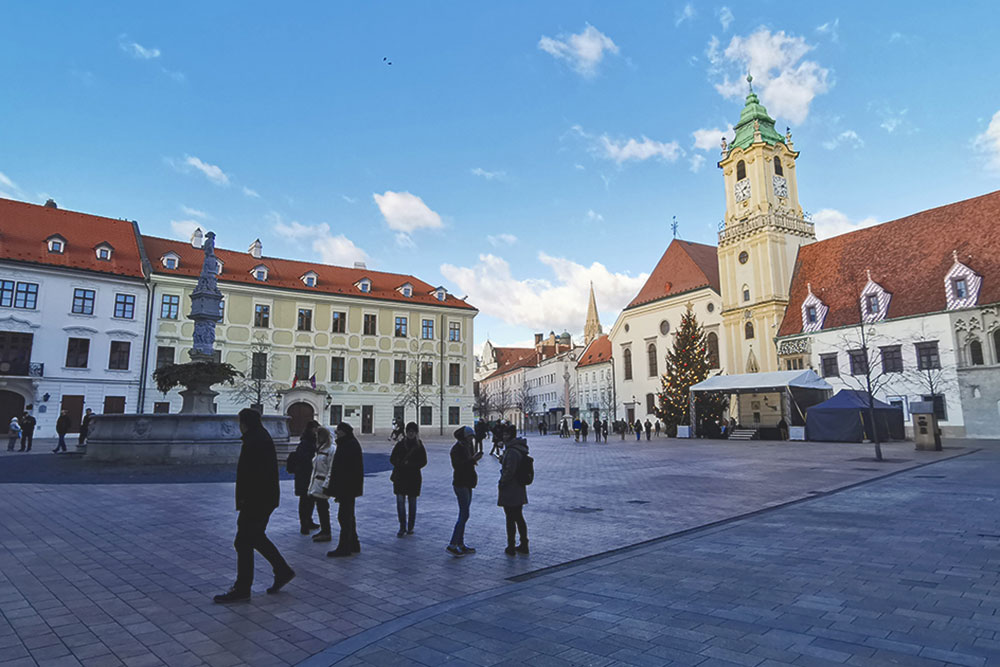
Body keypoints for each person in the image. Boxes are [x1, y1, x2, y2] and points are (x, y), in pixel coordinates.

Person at [214, 408, 294, 603]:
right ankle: (281, 570)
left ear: (245, 423)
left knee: (244, 541)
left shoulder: (255, 441)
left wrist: (246, 500)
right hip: (261, 499)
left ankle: (243, 587)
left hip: (257, 500)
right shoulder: (259, 437)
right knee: (253, 538)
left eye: (240, 422)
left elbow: (254, 475)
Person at [325, 421, 364, 557]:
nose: (336, 433)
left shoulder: (348, 445)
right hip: (348, 487)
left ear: (344, 432)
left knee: (344, 517)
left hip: (347, 487)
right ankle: (353, 543)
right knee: (348, 516)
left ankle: (344, 547)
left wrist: (338, 488)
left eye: (338, 431)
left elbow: (345, 470)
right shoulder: (348, 443)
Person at [447, 425, 482, 557]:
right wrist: (472, 460)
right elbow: (458, 465)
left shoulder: (467, 446)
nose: (472, 439)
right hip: (461, 482)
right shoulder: (456, 449)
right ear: (464, 437)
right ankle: (453, 544)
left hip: (468, 482)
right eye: (470, 437)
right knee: (464, 514)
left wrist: (473, 459)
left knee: (465, 513)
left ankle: (460, 543)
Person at [390, 422, 427, 537]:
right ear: (406, 432)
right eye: (409, 431)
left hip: (413, 477)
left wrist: (411, 465)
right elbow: (392, 458)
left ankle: (410, 526)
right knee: (400, 503)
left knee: (412, 502)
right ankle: (402, 526)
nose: (411, 434)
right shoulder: (400, 445)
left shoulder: (419, 446)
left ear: (416, 433)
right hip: (400, 476)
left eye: (413, 432)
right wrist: (400, 464)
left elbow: (423, 461)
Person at [498, 424, 529, 556]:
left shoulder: (511, 451)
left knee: (510, 518)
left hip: (511, 488)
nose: (504, 437)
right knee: (519, 517)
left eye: (506, 434)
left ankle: (511, 546)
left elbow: (510, 470)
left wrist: (502, 482)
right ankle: (524, 543)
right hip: (519, 487)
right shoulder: (519, 448)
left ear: (510, 435)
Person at [307, 427, 334, 542]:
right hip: (316, 482)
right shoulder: (319, 448)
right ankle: (324, 530)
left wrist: (327, 485)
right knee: (320, 508)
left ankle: (326, 532)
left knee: (323, 508)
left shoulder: (331, 450)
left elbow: (331, 469)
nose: (317, 437)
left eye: (319, 435)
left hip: (323, 483)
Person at [293, 421, 320, 534]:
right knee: (305, 500)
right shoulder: (305, 443)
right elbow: (304, 459)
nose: (317, 431)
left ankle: (309, 521)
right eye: (315, 429)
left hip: (310, 474)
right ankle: (304, 524)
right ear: (311, 429)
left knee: (310, 499)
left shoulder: (312, 441)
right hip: (305, 475)